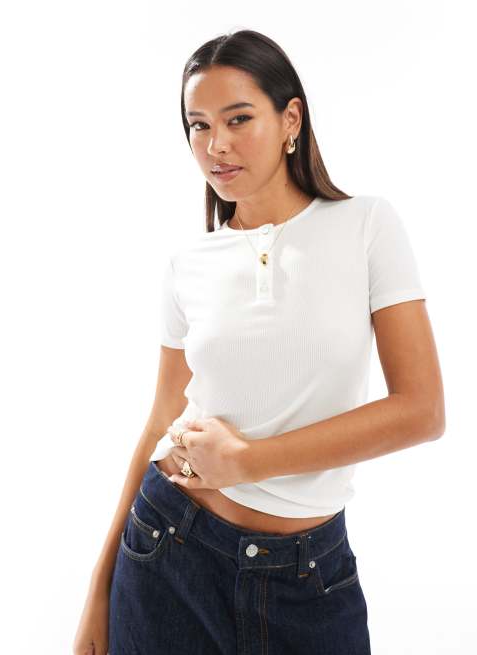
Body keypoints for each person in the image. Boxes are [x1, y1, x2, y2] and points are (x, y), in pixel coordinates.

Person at [73, 29, 445, 655]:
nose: (215, 144)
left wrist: (248, 461)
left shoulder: (366, 226)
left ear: (290, 118)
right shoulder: (188, 264)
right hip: (168, 551)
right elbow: (162, 417)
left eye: (238, 118)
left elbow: (422, 411)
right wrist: (99, 587)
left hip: (310, 578)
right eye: (198, 125)